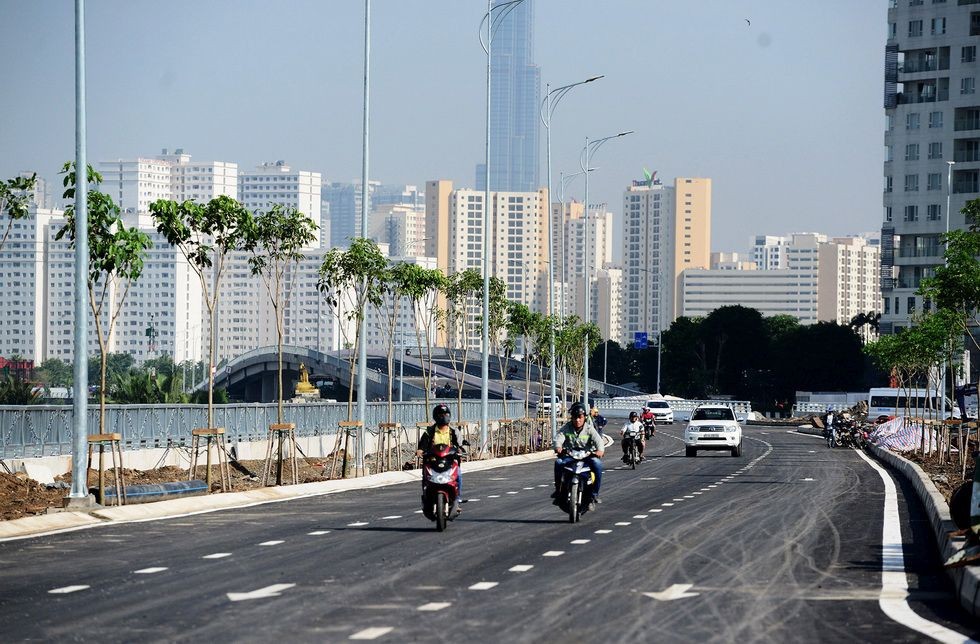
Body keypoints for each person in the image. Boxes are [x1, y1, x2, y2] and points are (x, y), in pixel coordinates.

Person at [552, 401, 605, 507]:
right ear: (571, 417)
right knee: (558, 463)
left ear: (584, 417)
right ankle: (558, 490)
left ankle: (594, 494)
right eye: (575, 417)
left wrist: (600, 451)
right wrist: (558, 447)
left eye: (580, 417)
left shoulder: (590, 429)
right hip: (570, 456)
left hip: (587, 457)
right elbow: (559, 438)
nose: (577, 420)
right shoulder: (566, 428)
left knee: (598, 464)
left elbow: (598, 441)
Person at [417, 403, 465, 503]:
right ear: (435, 417)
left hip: (449, 461)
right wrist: (420, 450)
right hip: (433, 461)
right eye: (441, 415)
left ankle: (457, 497)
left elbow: (460, 445)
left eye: (446, 414)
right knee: (426, 476)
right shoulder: (429, 432)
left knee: (459, 475)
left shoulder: (454, 432)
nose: (444, 417)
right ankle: (426, 496)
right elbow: (423, 444)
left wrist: (460, 450)